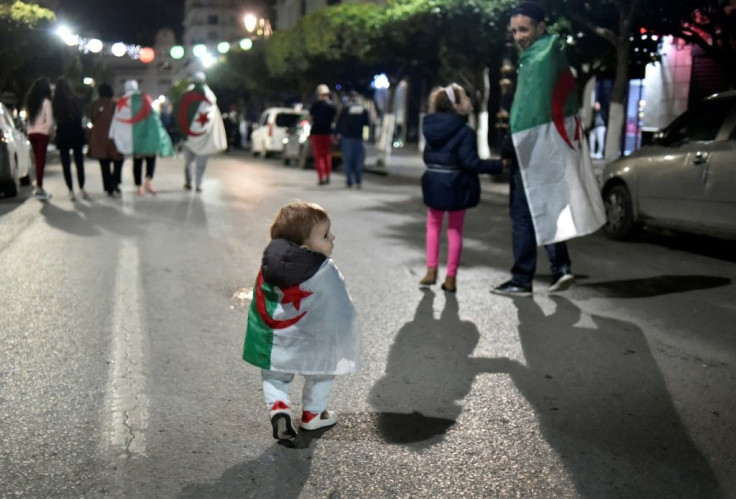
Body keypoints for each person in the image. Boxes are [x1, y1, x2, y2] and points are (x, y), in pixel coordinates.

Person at [491, 2, 605, 297]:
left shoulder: (539, 57)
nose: (518, 36)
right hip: (548, 146)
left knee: (523, 215)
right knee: (548, 205)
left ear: (541, 27)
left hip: (531, 146)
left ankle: (521, 279)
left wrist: (509, 143)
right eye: (514, 30)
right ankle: (561, 267)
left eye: (524, 29)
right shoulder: (549, 55)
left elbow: (527, 109)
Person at [243, 201, 361, 441]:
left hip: (281, 338)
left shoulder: (269, 267)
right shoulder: (325, 269)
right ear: (305, 245)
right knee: (322, 371)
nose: (333, 237)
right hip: (317, 340)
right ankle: (313, 414)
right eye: (326, 235)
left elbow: (261, 305)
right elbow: (341, 306)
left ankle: (279, 407)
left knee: (275, 374)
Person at [419, 83, 504, 293]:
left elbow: (426, 156)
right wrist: (499, 165)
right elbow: (471, 163)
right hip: (456, 183)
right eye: (465, 97)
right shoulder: (465, 131)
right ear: (455, 106)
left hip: (434, 181)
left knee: (433, 226)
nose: (469, 101)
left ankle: (431, 271)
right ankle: (450, 278)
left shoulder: (430, 128)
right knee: (455, 229)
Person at [109, 80, 173, 196]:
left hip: (136, 140)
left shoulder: (122, 102)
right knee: (151, 160)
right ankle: (148, 182)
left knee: (137, 162)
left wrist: (114, 135)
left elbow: (118, 122)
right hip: (148, 136)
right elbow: (155, 117)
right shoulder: (145, 99)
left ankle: (139, 186)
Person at [175, 72, 227, 192]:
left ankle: (189, 183)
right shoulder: (210, 97)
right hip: (205, 136)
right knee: (201, 164)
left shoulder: (186, 96)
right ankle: (198, 184)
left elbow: (179, 112)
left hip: (188, 137)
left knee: (189, 163)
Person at [53, 77, 88, 201]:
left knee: (66, 164)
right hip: (76, 134)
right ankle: (82, 188)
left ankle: (71, 190)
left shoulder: (56, 102)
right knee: (79, 163)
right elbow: (80, 115)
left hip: (63, 135)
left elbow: (55, 119)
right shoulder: (76, 99)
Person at [87, 83, 124, 196]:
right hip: (113, 137)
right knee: (118, 159)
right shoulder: (115, 104)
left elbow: (92, 119)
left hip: (99, 137)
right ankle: (115, 181)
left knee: (104, 163)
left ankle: (108, 187)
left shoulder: (94, 104)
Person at [24, 77, 54, 201]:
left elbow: (27, 119)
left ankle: (39, 186)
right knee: (41, 161)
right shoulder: (46, 102)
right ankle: (39, 187)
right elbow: (49, 121)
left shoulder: (31, 101)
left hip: (31, 133)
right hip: (42, 134)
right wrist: (49, 132)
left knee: (37, 160)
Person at [335, 91, 370, 189]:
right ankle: (358, 181)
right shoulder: (364, 110)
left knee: (348, 160)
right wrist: (365, 137)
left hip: (347, 138)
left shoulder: (345, 109)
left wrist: (337, 134)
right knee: (358, 161)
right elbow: (367, 126)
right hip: (359, 139)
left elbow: (339, 123)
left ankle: (349, 181)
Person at [309, 84, 337, 185]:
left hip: (316, 133)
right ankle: (328, 175)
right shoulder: (332, 106)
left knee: (319, 156)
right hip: (328, 134)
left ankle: (321, 178)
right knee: (327, 156)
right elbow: (334, 119)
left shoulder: (315, 105)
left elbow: (310, 118)